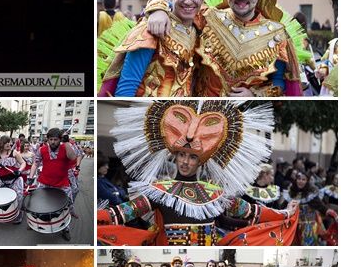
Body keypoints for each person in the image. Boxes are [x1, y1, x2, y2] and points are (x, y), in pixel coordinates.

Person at [97, 100, 299, 246]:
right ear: (174, 156)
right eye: (181, 155)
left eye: (192, 157)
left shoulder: (216, 193)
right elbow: (120, 214)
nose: (185, 162)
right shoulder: (158, 191)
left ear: (201, 161)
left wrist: (285, 213)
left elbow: (250, 211)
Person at [145, 0, 304, 96]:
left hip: (241, 118)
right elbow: (181, 6)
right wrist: (158, 8)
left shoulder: (277, 35)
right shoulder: (208, 17)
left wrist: (255, 94)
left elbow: (280, 82)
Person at [98, 0, 204, 97]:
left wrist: (158, 6)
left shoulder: (202, 28)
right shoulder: (150, 29)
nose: (188, 1)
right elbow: (126, 89)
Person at [28, 127, 77, 240]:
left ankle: (66, 228)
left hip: (62, 184)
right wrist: (31, 177)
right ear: (47, 139)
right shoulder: (42, 149)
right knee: (39, 205)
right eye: (50, 139)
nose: (53, 142)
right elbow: (35, 164)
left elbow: (73, 157)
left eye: (55, 139)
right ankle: (35, 223)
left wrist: (66, 143)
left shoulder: (66, 147)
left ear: (60, 139)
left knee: (66, 207)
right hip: (44, 183)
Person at [0, 135, 26, 223]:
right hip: (1, 180)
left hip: (15, 179)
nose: (8, 144)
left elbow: (23, 163)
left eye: (9, 142)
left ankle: (19, 213)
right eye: (6, 142)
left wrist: (19, 171)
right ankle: (0, 212)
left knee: (19, 196)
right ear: (2, 143)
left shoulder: (14, 153)